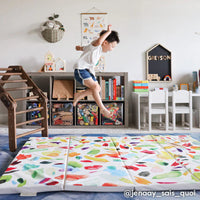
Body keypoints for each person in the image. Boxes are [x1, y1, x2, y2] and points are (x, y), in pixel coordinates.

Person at [73, 25, 120, 118]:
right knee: (95, 87)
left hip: (89, 71)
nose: (112, 49)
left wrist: (79, 48)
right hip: (81, 69)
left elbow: (85, 48)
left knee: (97, 88)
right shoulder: (96, 46)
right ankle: (102, 109)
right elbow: (98, 41)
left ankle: (79, 95)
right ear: (105, 42)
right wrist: (108, 32)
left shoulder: (94, 48)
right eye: (112, 46)